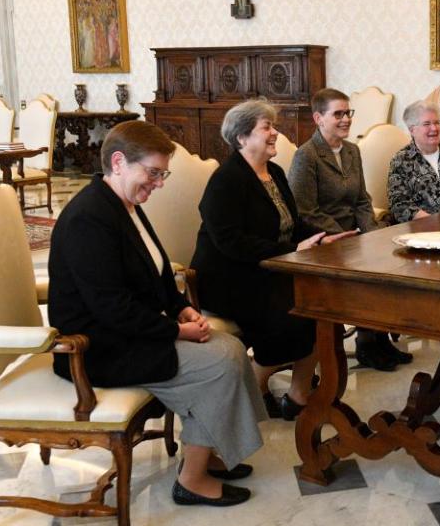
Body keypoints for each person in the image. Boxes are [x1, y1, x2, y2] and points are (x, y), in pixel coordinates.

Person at [48, 121, 261, 507]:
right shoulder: (88, 218)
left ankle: (208, 451)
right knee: (222, 362)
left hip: (129, 331)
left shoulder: (124, 204)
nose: (159, 183)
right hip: (98, 347)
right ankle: (192, 481)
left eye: (163, 174)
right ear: (118, 162)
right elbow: (110, 308)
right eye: (153, 172)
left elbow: (159, 273)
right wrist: (175, 332)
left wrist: (182, 308)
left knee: (230, 345)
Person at [190, 100, 355, 421]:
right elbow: (230, 243)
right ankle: (252, 389)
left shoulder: (275, 172)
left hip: (271, 269)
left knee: (324, 308)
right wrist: (291, 250)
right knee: (292, 316)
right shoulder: (226, 180)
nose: (275, 133)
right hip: (229, 277)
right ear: (241, 138)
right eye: (266, 127)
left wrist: (322, 236)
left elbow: (293, 222)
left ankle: (298, 395)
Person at [289, 89, 411, 371]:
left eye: (348, 113)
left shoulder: (352, 150)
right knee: (365, 272)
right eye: (338, 114)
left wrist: (371, 234)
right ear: (319, 118)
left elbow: (361, 199)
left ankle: (379, 338)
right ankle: (367, 343)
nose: (345, 120)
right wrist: (347, 237)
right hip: (324, 239)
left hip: (353, 233)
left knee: (388, 258)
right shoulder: (306, 156)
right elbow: (305, 210)